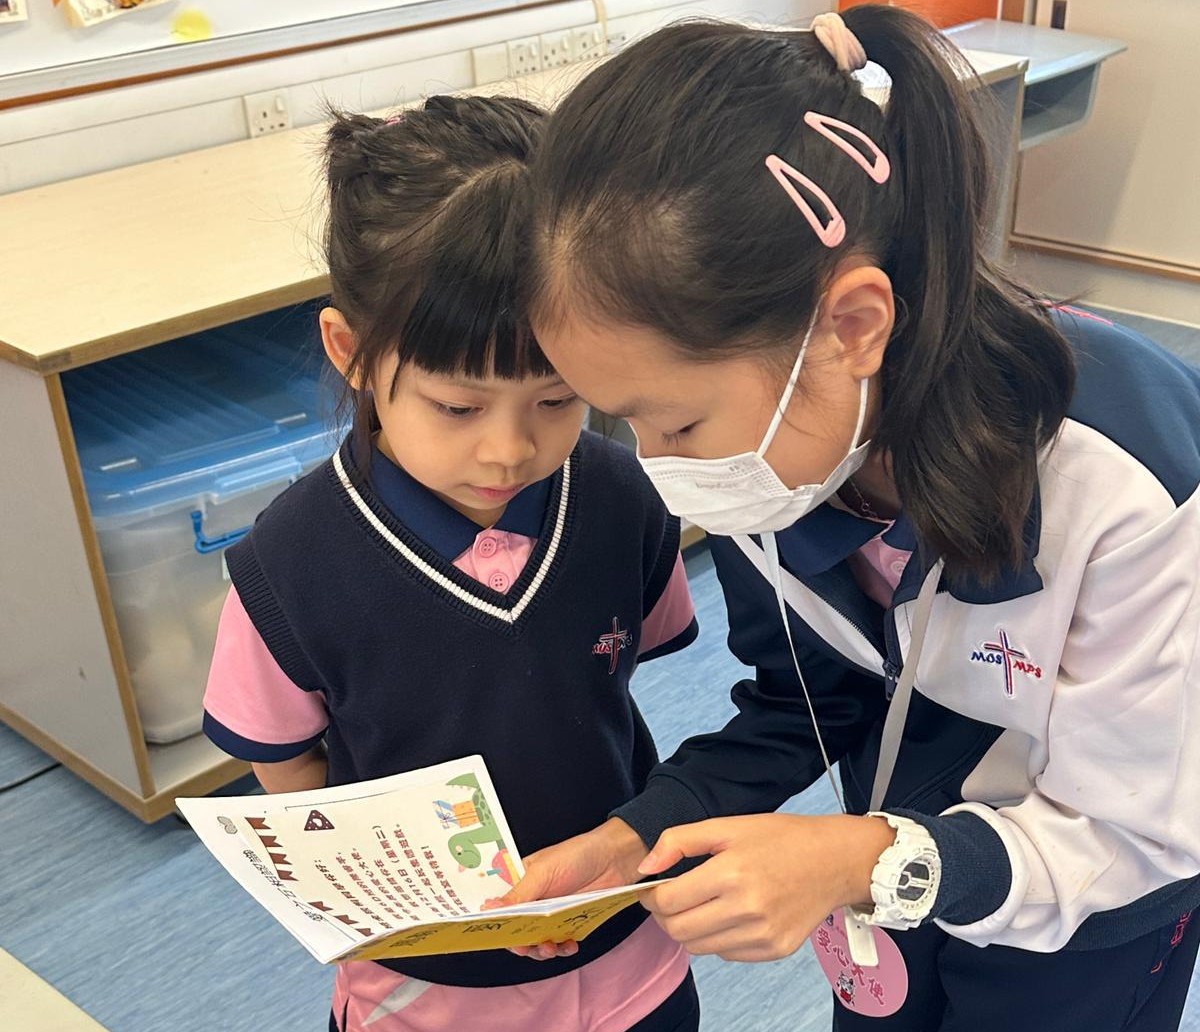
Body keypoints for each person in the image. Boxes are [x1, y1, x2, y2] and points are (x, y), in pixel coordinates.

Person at [502, 7, 1200, 1030]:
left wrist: (867, 859)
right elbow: (809, 698)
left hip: (1093, 907)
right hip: (902, 849)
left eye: (679, 422)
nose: (662, 468)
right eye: (626, 422)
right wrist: (642, 831)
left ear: (854, 326)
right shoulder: (779, 453)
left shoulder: (1123, 485)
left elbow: (1139, 832)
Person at [201, 95, 701, 1032]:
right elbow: (283, 761)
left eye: (557, 400)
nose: (509, 451)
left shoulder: (624, 499)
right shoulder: (290, 565)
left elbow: (626, 669)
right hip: (423, 990)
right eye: (458, 408)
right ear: (353, 353)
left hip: (625, 938)